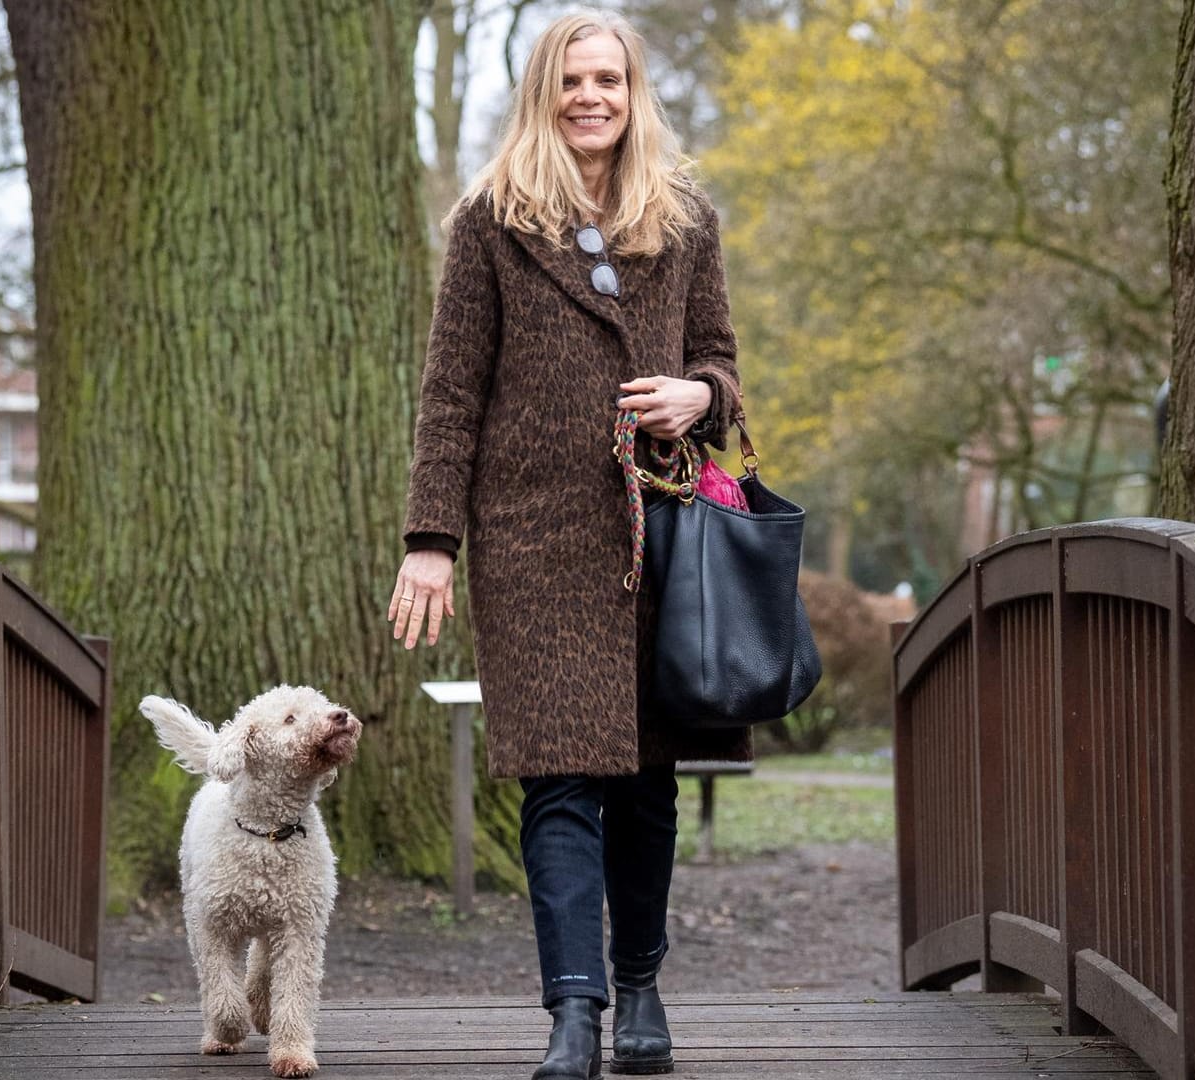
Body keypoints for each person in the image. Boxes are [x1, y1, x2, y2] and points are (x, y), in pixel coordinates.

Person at [386, 10, 751, 1079]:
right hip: (534, 543)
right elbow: (451, 394)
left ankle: (640, 988)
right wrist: (431, 540)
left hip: (662, 539)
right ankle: (572, 1013)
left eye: (610, 79)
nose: (590, 96)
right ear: (542, 91)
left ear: (634, 94)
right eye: (571, 79)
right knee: (557, 779)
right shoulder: (490, 222)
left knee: (643, 780)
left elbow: (725, 365)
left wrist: (699, 394)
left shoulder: (685, 220)